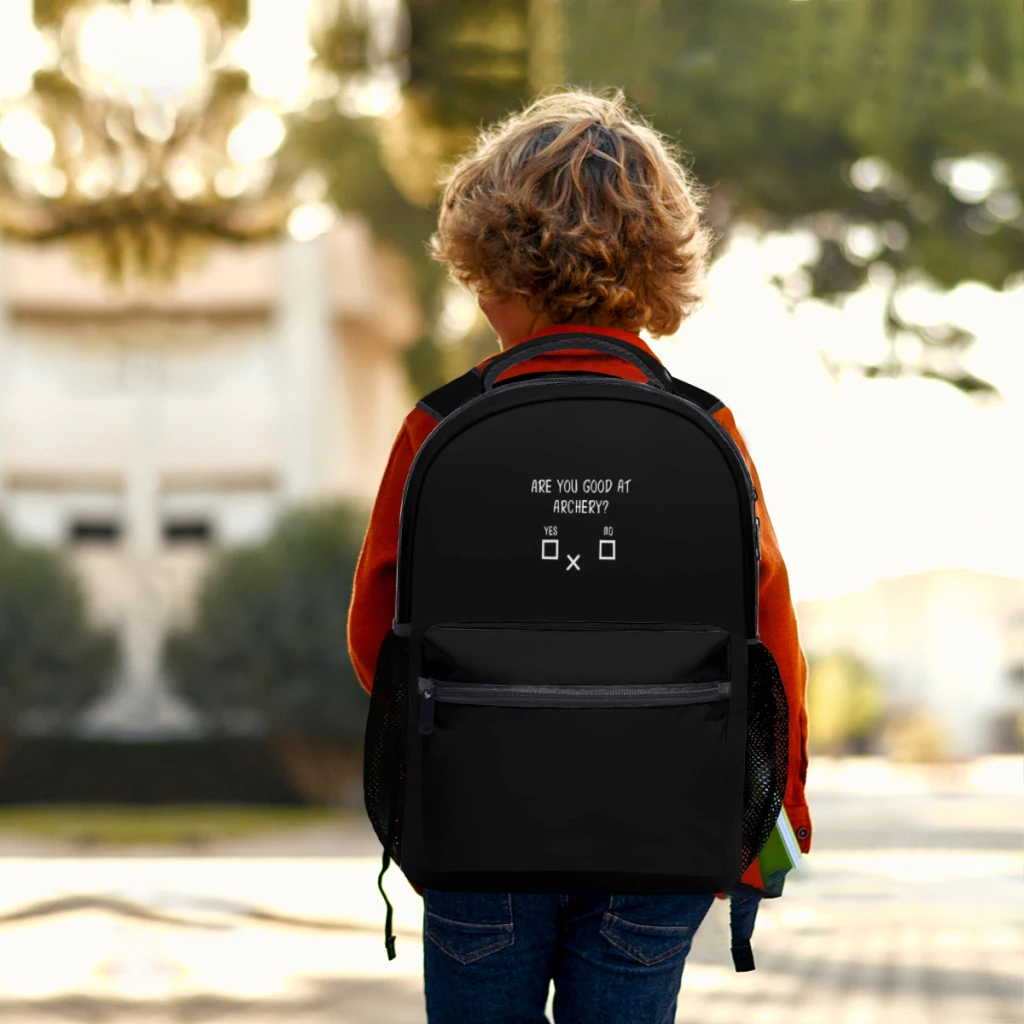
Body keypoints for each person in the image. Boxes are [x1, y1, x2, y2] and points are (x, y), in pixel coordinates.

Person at [348, 88, 811, 1024]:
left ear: (492, 267)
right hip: (660, 841)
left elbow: (374, 640)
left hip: (480, 837)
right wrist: (770, 819)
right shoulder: (706, 428)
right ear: (659, 266)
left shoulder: (437, 427)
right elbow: (769, 639)